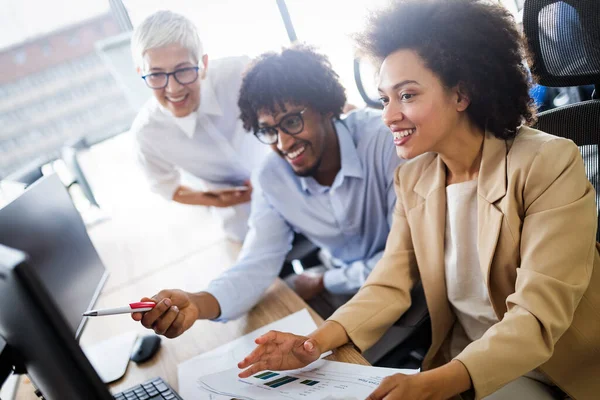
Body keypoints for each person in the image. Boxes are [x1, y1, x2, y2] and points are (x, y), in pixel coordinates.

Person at [237, 1, 600, 399]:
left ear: (461, 93)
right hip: (468, 359)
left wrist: (432, 384)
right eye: (385, 99)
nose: (389, 116)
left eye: (406, 95)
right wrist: (313, 344)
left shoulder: (548, 161)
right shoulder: (413, 177)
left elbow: (535, 318)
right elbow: (387, 286)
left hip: (551, 362)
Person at [131, 44, 402, 332]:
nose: (283, 144)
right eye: (269, 130)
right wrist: (197, 304)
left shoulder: (384, 142)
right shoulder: (272, 177)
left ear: (325, 107)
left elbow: (404, 258)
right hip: (351, 291)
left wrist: (325, 280)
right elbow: (255, 264)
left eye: (293, 121)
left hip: (413, 289)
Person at [130, 10, 269, 241]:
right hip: (244, 227)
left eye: (183, 70)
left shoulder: (240, 73)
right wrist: (218, 198)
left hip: (302, 195)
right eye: (156, 75)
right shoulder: (147, 134)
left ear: (203, 64)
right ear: (141, 73)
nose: (173, 89)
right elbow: (167, 187)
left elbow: (295, 99)